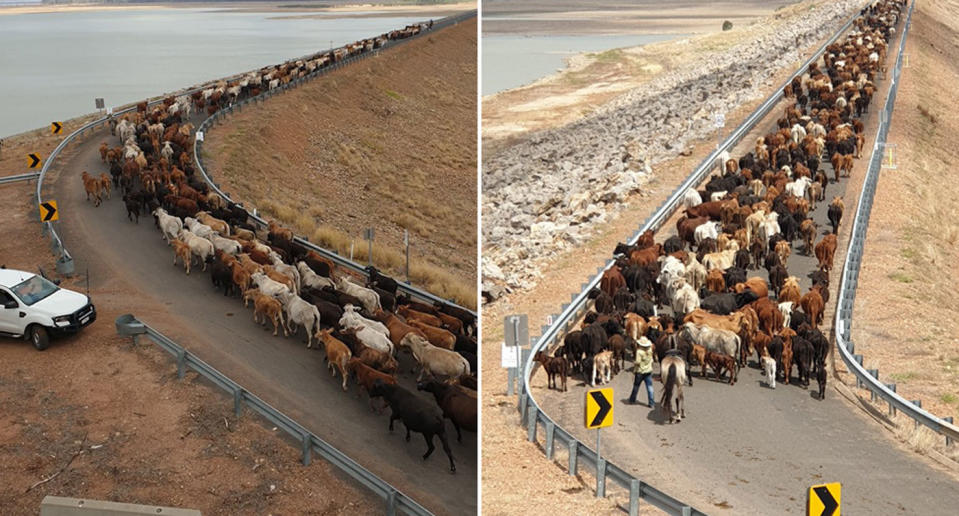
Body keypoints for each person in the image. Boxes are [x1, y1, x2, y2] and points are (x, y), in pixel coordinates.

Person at [628, 336, 655, 408]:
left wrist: (634, 363)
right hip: (648, 371)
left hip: (640, 371)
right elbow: (652, 360)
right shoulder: (650, 350)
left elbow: (638, 362)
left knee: (636, 386)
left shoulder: (639, 351)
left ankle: (632, 399)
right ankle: (651, 403)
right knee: (650, 387)